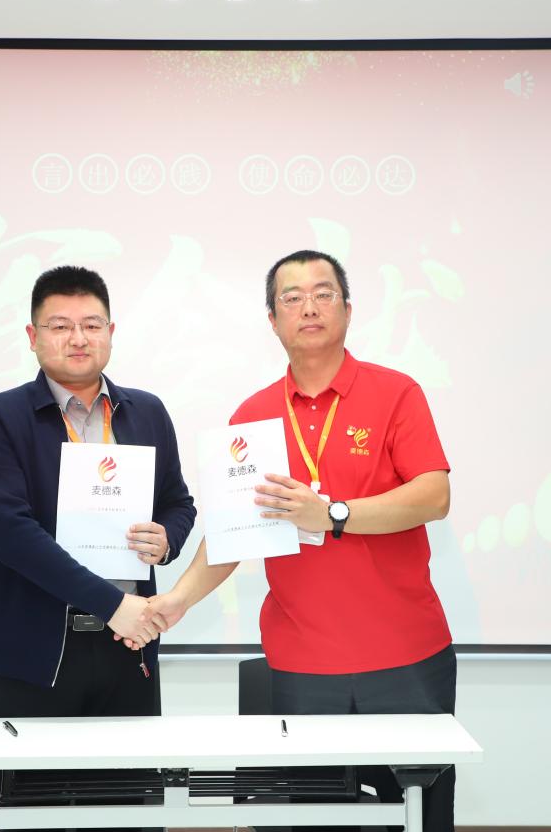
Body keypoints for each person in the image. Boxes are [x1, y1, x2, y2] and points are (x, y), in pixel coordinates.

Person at [141, 249, 456, 832]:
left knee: (420, 819)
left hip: (407, 656)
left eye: (323, 293)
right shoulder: (253, 416)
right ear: (273, 320)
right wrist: (176, 599)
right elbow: (232, 534)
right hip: (302, 663)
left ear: (348, 310)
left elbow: (433, 496)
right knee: (313, 821)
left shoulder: (396, 393)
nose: (308, 307)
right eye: (292, 298)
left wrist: (331, 513)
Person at [0, 265, 196, 817]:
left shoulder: (146, 412)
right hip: (35, 654)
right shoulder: (0, 417)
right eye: (60, 326)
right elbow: (13, 536)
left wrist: (166, 538)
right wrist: (113, 603)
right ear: (33, 336)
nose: (78, 338)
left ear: (111, 333)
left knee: (129, 813)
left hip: (128, 650)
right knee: (36, 816)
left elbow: (179, 503)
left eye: (92, 325)